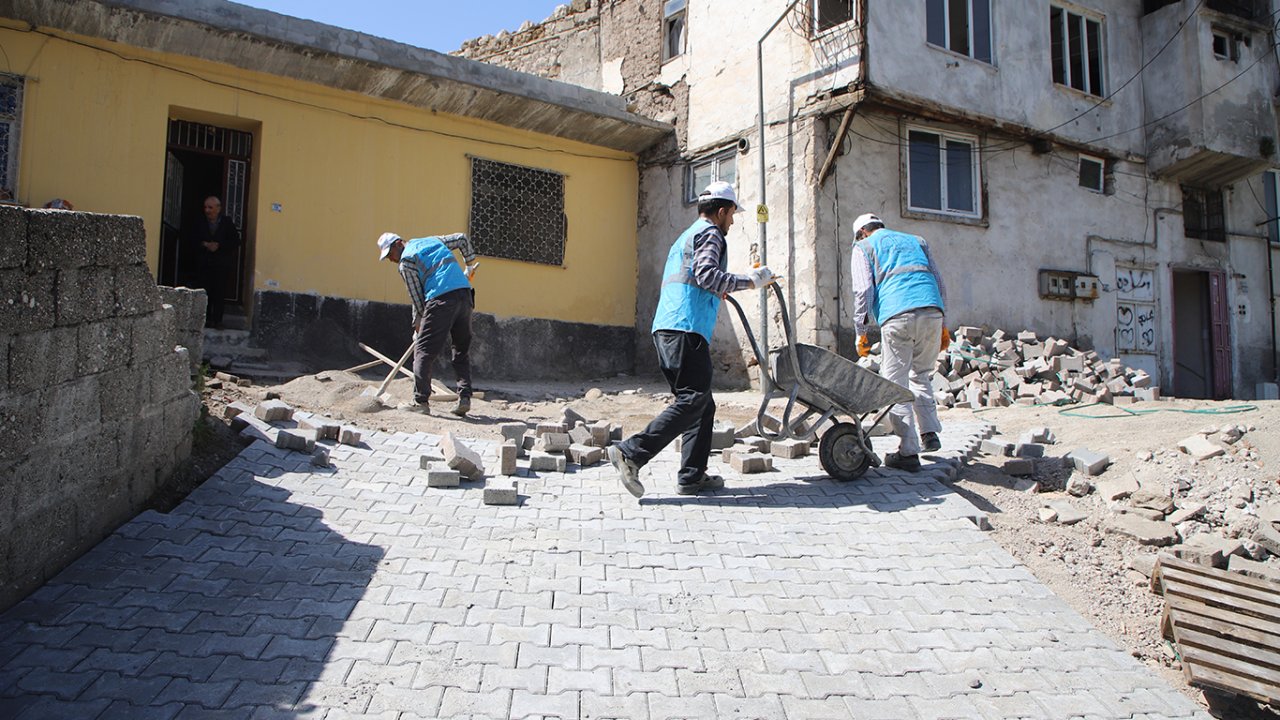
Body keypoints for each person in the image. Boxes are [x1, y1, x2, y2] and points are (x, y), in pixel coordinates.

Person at [609, 181, 776, 498]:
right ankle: (631, 453)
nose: (733, 221)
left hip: (669, 327)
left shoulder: (687, 236)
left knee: (702, 403)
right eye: (732, 215)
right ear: (723, 211)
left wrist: (720, 288)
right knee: (694, 400)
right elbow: (706, 275)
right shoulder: (711, 234)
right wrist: (754, 280)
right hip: (686, 328)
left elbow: (696, 276)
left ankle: (692, 476)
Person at [849, 213, 949, 472]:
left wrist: (861, 330)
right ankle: (929, 433)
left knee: (895, 384)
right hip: (931, 310)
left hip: (897, 315)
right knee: (922, 374)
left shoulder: (864, 247)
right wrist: (943, 322)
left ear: (861, 233)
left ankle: (908, 450)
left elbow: (863, 290)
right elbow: (938, 281)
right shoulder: (916, 241)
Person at [378, 231, 478, 417]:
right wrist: (469, 265)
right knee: (460, 350)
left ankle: (420, 401)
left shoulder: (406, 262)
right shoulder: (431, 241)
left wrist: (420, 326)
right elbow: (462, 238)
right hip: (465, 295)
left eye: (390, 254)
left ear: (399, 243)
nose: (391, 259)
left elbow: (417, 297)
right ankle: (464, 397)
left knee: (423, 352)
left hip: (440, 300)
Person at [188, 196, 241, 329]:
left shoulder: (227, 223)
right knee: (204, 291)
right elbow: (191, 239)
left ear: (218, 208)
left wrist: (219, 245)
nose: (207, 210)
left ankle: (218, 320)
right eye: (205, 207)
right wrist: (205, 244)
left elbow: (235, 241)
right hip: (204, 263)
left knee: (219, 292)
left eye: (210, 207)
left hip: (221, 264)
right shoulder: (199, 222)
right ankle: (205, 320)